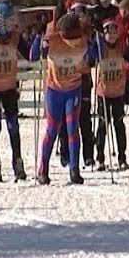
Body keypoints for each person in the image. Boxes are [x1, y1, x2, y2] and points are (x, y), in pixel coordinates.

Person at [0, 1, 40, 181]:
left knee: (13, 125)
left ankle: (17, 163)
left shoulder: (15, 37)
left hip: (10, 88)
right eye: (8, 19)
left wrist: (37, 38)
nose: (11, 23)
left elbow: (31, 56)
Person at [38, 13, 96, 185]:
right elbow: (35, 54)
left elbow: (93, 59)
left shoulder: (83, 40)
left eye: (75, 37)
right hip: (55, 90)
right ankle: (43, 169)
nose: (73, 41)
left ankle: (74, 169)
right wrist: (39, 38)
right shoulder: (53, 40)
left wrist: (94, 41)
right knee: (52, 129)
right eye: (69, 37)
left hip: (73, 89)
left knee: (72, 128)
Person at [57, 3, 96, 168]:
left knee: (85, 120)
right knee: (65, 121)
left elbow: (93, 58)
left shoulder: (88, 35)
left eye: (82, 15)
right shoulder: (64, 33)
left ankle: (88, 155)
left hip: (83, 80)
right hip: (65, 81)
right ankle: (65, 153)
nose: (80, 19)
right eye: (77, 16)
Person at [94, 19, 129, 171]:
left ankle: (122, 157)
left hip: (118, 91)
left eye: (115, 33)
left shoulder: (121, 46)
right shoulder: (100, 46)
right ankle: (100, 157)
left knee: (119, 125)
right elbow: (91, 56)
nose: (112, 36)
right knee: (103, 124)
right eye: (109, 33)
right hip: (104, 91)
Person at [116, 0, 129, 115]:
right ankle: (121, 106)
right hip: (120, 53)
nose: (124, 12)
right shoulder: (117, 22)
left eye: (126, 9)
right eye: (122, 9)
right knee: (121, 81)